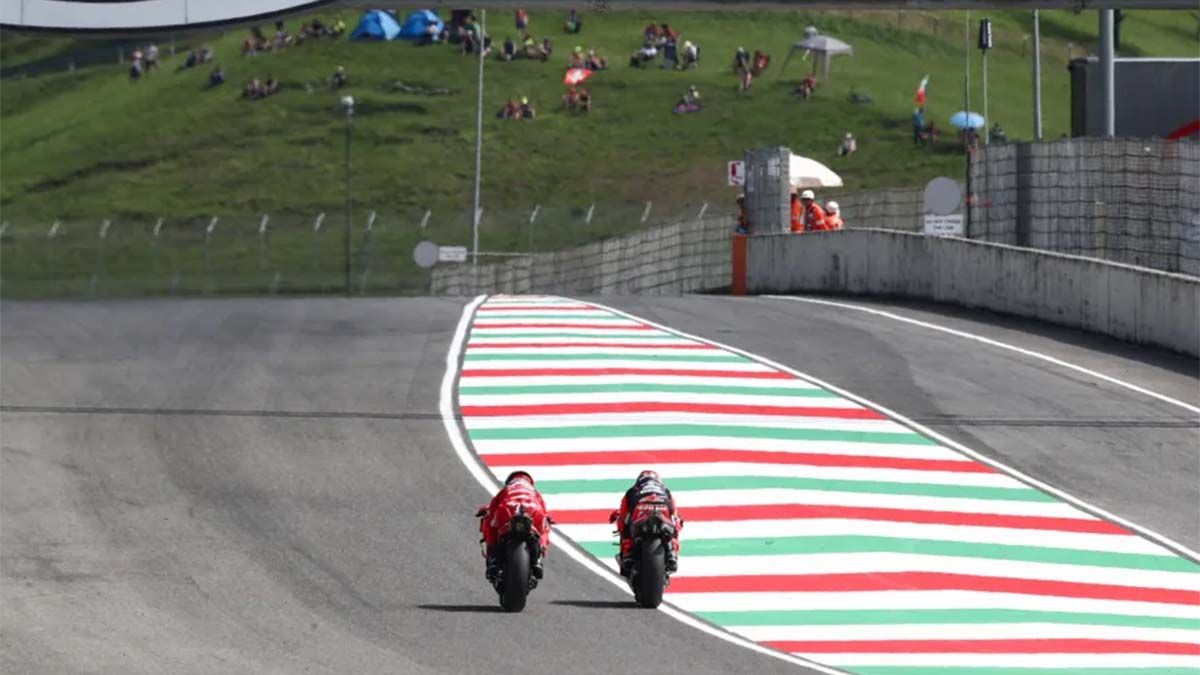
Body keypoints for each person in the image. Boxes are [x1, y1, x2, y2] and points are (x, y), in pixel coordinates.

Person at [477, 471, 551, 581]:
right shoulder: (535, 493)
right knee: (545, 528)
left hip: (507, 510)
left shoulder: (506, 490)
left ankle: (492, 556)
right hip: (533, 511)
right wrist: (548, 520)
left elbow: (492, 507)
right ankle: (538, 559)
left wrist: (485, 511)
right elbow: (544, 512)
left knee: (490, 521)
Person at [608, 470, 682, 576]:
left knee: (624, 522)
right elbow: (674, 513)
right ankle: (672, 553)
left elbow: (623, 511)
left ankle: (628, 550)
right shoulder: (665, 491)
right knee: (675, 524)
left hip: (641, 519)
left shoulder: (633, 490)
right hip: (663, 516)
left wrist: (616, 515)